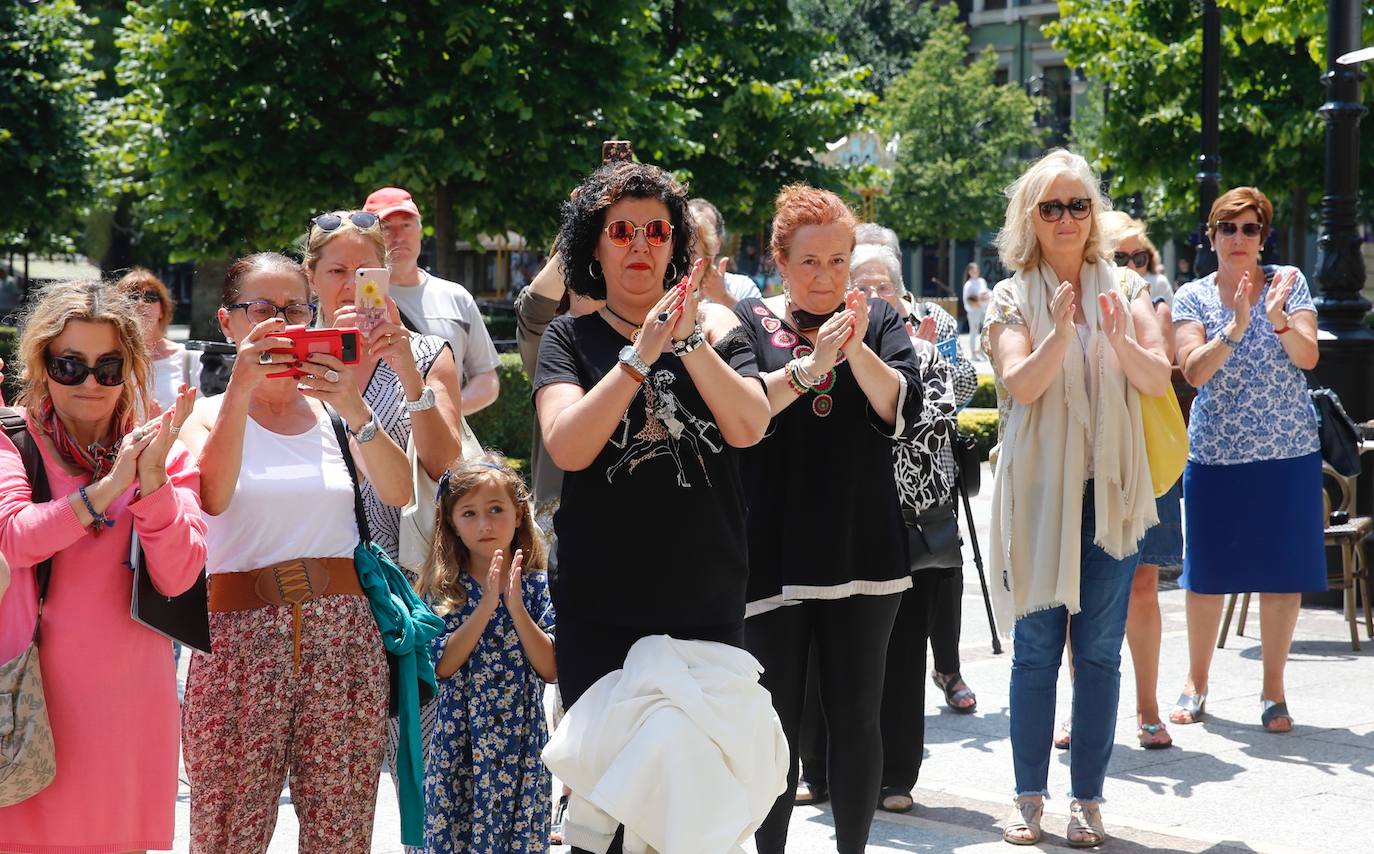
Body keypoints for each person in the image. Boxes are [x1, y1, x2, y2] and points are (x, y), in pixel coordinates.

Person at [533, 160, 771, 854]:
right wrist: (637, 357)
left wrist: (686, 337)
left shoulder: (720, 332)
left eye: (656, 231)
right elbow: (568, 446)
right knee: (603, 817)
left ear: (676, 247)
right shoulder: (568, 340)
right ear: (595, 247)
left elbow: (749, 425)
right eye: (621, 231)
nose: (639, 245)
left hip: (704, 607)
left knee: (696, 819)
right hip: (602, 615)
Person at [178, 253, 411, 853]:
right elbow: (213, 494)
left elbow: (398, 489)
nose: (280, 324)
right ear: (228, 324)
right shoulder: (206, 416)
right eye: (262, 310)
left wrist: (354, 405)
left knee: (341, 828)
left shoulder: (335, 415)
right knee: (229, 830)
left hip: (343, 637)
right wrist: (241, 388)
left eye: (293, 309)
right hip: (237, 641)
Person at [984, 149, 1168, 847]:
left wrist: (1117, 339)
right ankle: (1029, 796)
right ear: (1030, 217)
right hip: (1039, 495)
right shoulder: (1011, 294)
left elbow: (1158, 377)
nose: (1067, 217)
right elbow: (1020, 385)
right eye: (1052, 206)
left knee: (1097, 654)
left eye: (1079, 205)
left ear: (1094, 214)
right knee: (1035, 650)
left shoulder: (1124, 286)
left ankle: (1087, 800)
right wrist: (1061, 334)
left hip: (1111, 494)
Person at [734, 185, 923, 853]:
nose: (825, 277)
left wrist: (853, 349)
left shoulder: (879, 320)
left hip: (862, 550)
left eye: (838, 261)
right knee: (774, 722)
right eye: (809, 262)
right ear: (780, 262)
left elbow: (902, 408)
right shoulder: (749, 320)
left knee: (856, 716)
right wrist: (810, 364)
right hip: (774, 553)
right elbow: (743, 415)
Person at [0, 279, 207, 853]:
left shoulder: (161, 451)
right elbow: (14, 538)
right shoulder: (11, 441)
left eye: (108, 366)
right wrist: (110, 486)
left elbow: (180, 575)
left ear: (130, 369)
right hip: (29, 700)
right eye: (71, 365)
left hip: (130, 704)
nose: (90, 383)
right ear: (41, 364)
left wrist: (151, 483)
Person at [795, 237, 978, 812]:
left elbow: (950, 399)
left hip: (911, 521)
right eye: (861, 285)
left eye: (881, 288)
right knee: (822, 654)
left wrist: (918, 355)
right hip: (841, 517)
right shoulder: (814, 337)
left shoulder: (927, 339)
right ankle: (817, 770)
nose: (869, 296)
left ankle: (898, 775)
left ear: (901, 295)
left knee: (901, 653)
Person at [1168, 187, 1322, 735]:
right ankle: (1196, 681)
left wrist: (1277, 318)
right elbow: (1193, 370)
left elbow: (1307, 356)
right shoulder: (1192, 296)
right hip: (1217, 453)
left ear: (1263, 237)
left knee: (1283, 577)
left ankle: (1273, 691)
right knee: (1207, 576)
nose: (1238, 239)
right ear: (1211, 237)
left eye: (1249, 229)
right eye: (1227, 229)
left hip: (1288, 451)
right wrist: (1235, 324)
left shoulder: (1289, 282)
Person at [417, 454, 557, 853]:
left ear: (518, 515)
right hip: (460, 742)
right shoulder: (444, 589)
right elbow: (441, 666)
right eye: (469, 513)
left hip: (521, 744)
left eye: (496, 509)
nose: (484, 524)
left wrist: (514, 607)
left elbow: (550, 668)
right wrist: (485, 607)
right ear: (452, 525)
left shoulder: (537, 587)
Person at [364, 187, 501, 415]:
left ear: (420, 231)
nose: (398, 236)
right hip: (369, 443)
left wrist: (447, 413)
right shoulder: (352, 299)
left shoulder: (457, 298)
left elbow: (487, 379)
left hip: (442, 446)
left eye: (406, 225)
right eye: (386, 227)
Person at [116, 267, 202, 413]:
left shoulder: (190, 358)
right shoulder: (109, 360)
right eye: (132, 296)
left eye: (150, 297)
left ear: (162, 310)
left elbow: (205, 417)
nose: (141, 302)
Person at [688, 197, 763, 307]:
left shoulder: (742, 286)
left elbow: (758, 322)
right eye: (689, 230)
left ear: (718, 244)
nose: (693, 242)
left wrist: (723, 297)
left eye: (706, 234)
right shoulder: (661, 283)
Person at [963, 262, 991, 361]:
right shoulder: (968, 284)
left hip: (984, 309)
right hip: (973, 311)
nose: (975, 272)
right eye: (973, 270)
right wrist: (977, 302)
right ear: (969, 272)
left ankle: (981, 350)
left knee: (987, 330)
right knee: (974, 332)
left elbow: (986, 292)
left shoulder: (981, 281)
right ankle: (973, 353)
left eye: (976, 270)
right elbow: (967, 299)